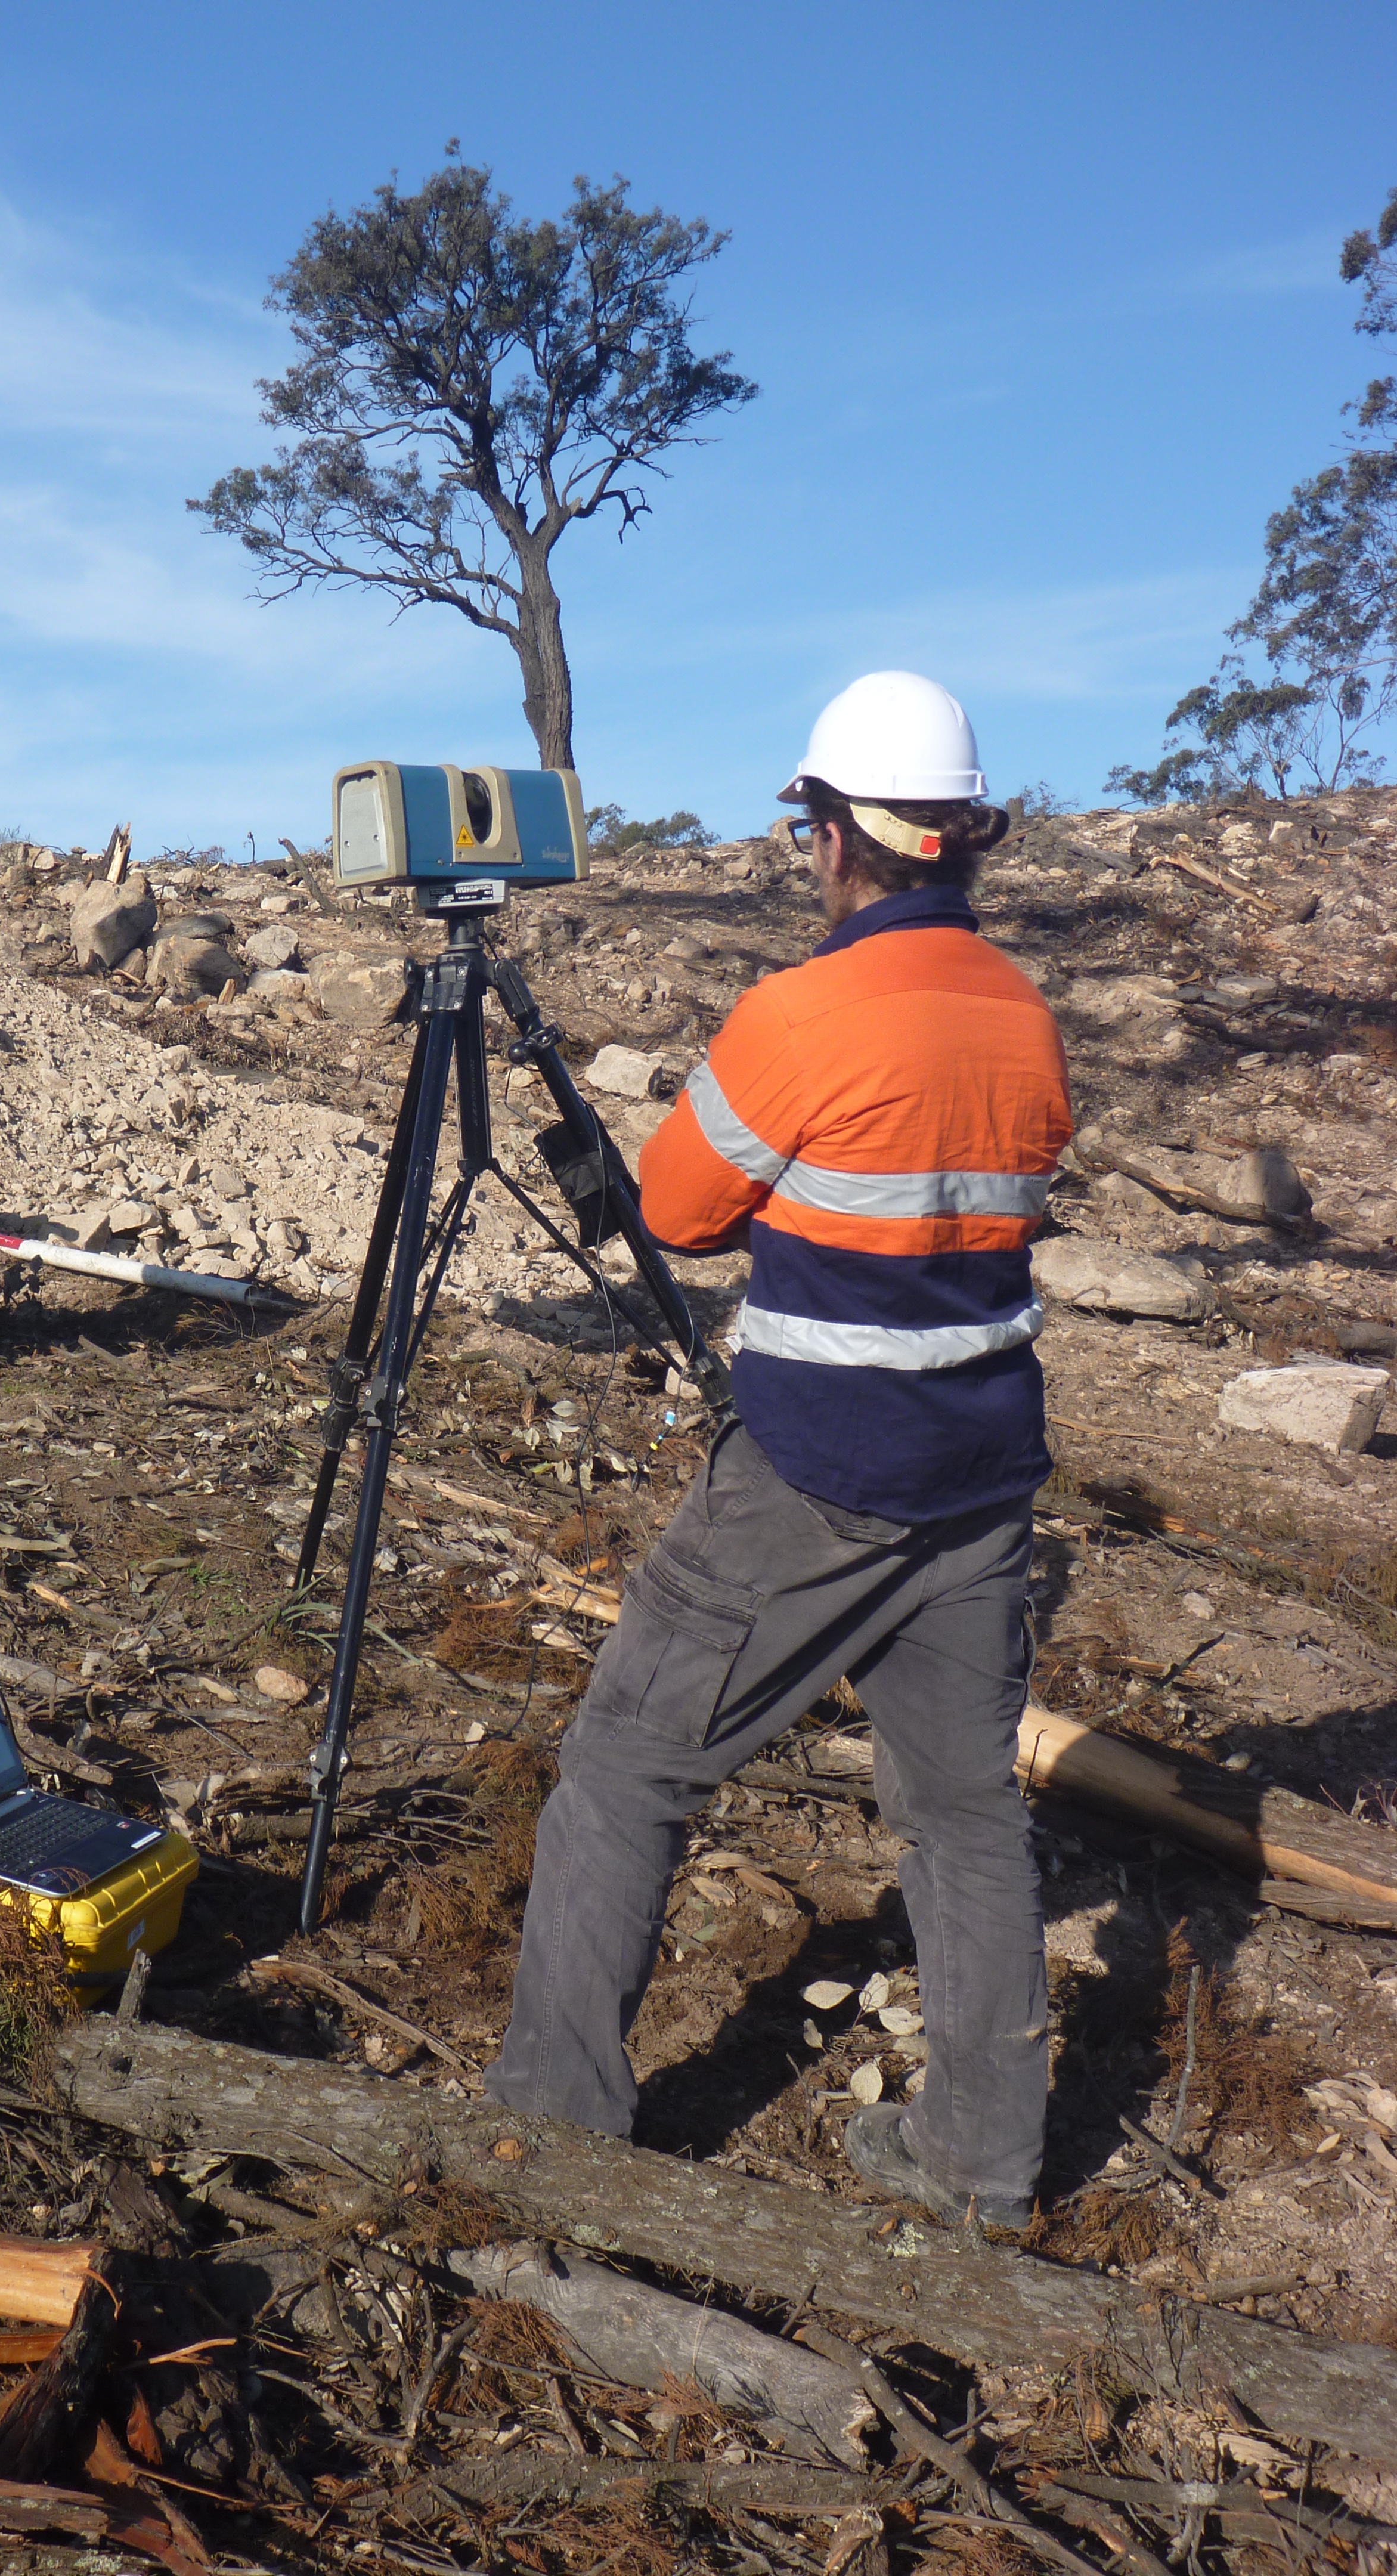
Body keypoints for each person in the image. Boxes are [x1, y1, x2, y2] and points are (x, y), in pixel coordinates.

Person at [484, 671, 1073, 2230]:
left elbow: (673, 1212)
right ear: (960, 837)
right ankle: (984, 2169)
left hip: (820, 1470)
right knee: (963, 1813)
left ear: (833, 835)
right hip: (986, 1468)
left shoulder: (803, 1012)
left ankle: (554, 2135)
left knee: (623, 1767)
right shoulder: (1020, 1010)